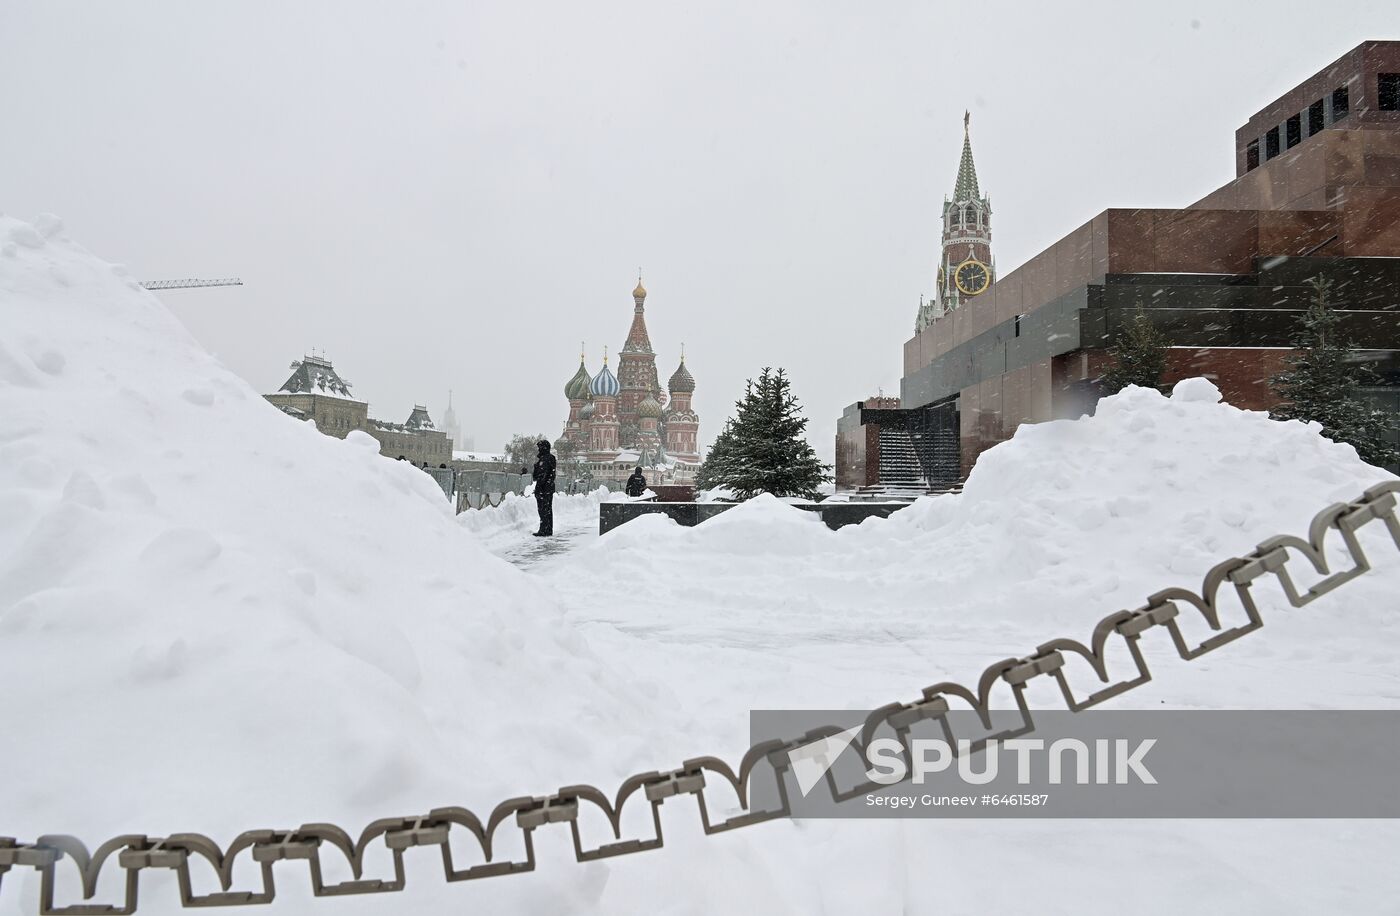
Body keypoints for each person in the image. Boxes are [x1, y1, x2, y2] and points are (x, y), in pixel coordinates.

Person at [531, 440, 557, 537]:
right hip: (548, 488)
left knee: (543, 510)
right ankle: (548, 529)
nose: (538, 449)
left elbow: (541, 475)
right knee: (548, 510)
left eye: (540, 447)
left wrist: (539, 488)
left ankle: (543, 530)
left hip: (543, 489)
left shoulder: (544, 459)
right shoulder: (551, 458)